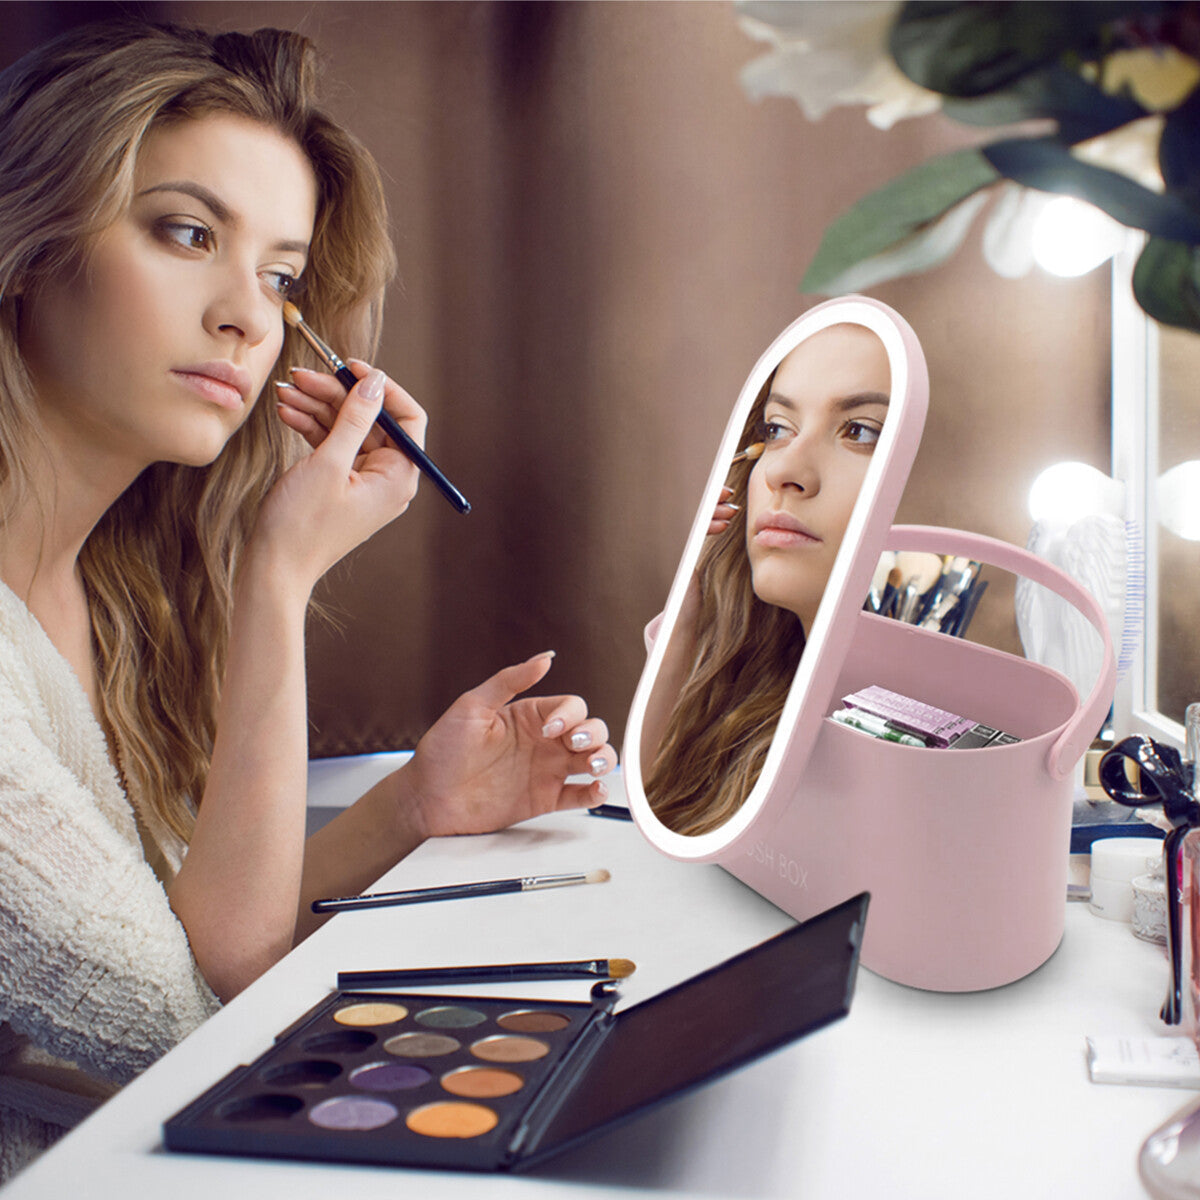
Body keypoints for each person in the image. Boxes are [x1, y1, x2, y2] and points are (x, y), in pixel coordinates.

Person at [0, 20, 616, 1180]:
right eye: (186, 233)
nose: (248, 315)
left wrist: (409, 811)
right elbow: (186, 1021)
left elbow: (191, 924)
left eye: (281, 276)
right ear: (30, 243)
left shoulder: (113, 587)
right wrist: (280, 575)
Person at [643, 321, 888, 836]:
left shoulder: (907, 732)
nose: (784, 471)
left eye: (860, 431)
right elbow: (653, 813)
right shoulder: (740, 700)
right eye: (776, 429)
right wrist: (689, 611)